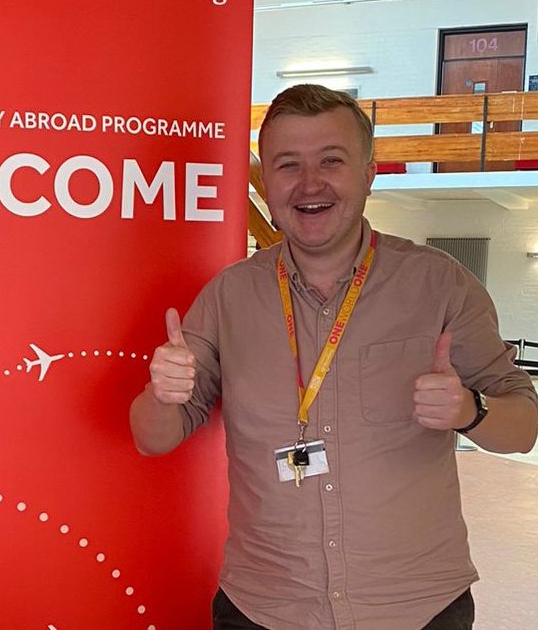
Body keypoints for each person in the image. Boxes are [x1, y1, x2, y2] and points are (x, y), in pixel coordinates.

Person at [129, 84, 538, 630]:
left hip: (416, 609)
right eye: (287, 165)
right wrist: (163, 394)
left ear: (369, 173)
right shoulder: (228, 297)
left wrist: (471, 410)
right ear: (266, 184)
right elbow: (152, 438)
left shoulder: (440, 285)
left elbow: (525, 427)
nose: (310, 184)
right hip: (264, 607)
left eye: (332, 160)